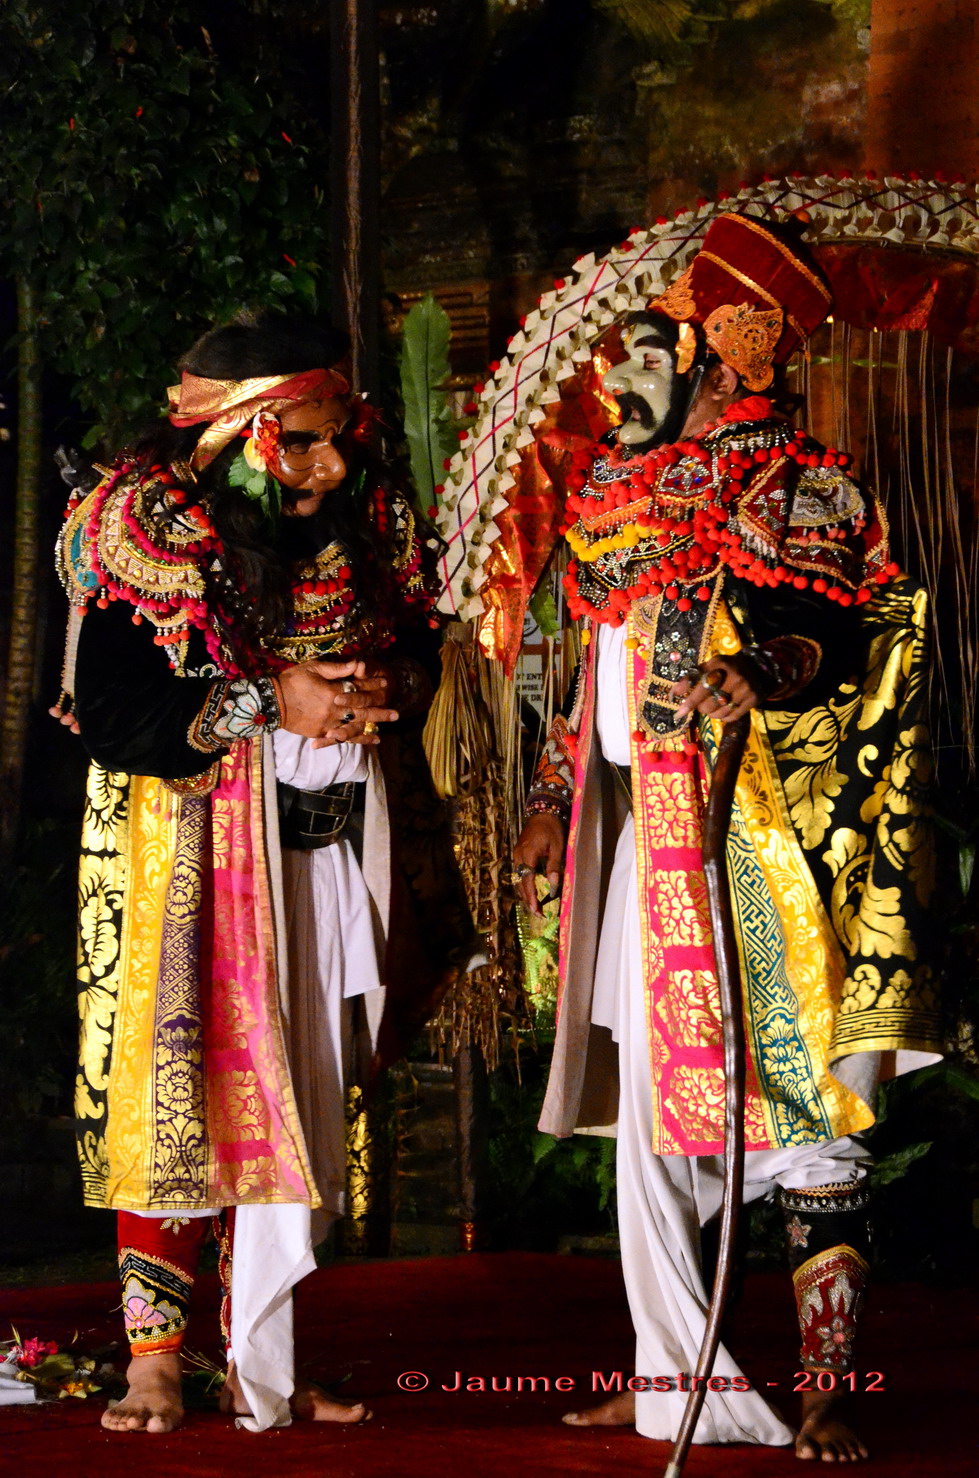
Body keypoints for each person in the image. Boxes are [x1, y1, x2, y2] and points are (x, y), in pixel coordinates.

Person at [513, 212, 941, 1462]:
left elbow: (845, 633)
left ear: (717, 361)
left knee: (804, 1111)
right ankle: (667, 1374)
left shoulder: (794, 482)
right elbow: (577, 664)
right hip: (646, 843)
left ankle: (821, 1384)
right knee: (655, 1120)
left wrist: (767, 666)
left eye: (649, 357)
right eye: (615, 359)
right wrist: (549, 796)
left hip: (771, 850)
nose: (618, 380)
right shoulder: (601, 498)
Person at [54, 314, 473, 1434]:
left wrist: (384, 683)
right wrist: (268, 699)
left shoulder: (362, 512)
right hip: (193, 857)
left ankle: (264, 1364)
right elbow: (117, 714)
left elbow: (418, 639)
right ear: (235, 430)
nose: (329, 464)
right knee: (177, 1084)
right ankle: (154, 1358)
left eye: (336, 437)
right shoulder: (141, 523)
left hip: (333, 842)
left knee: (306, 1085)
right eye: (299, 441)